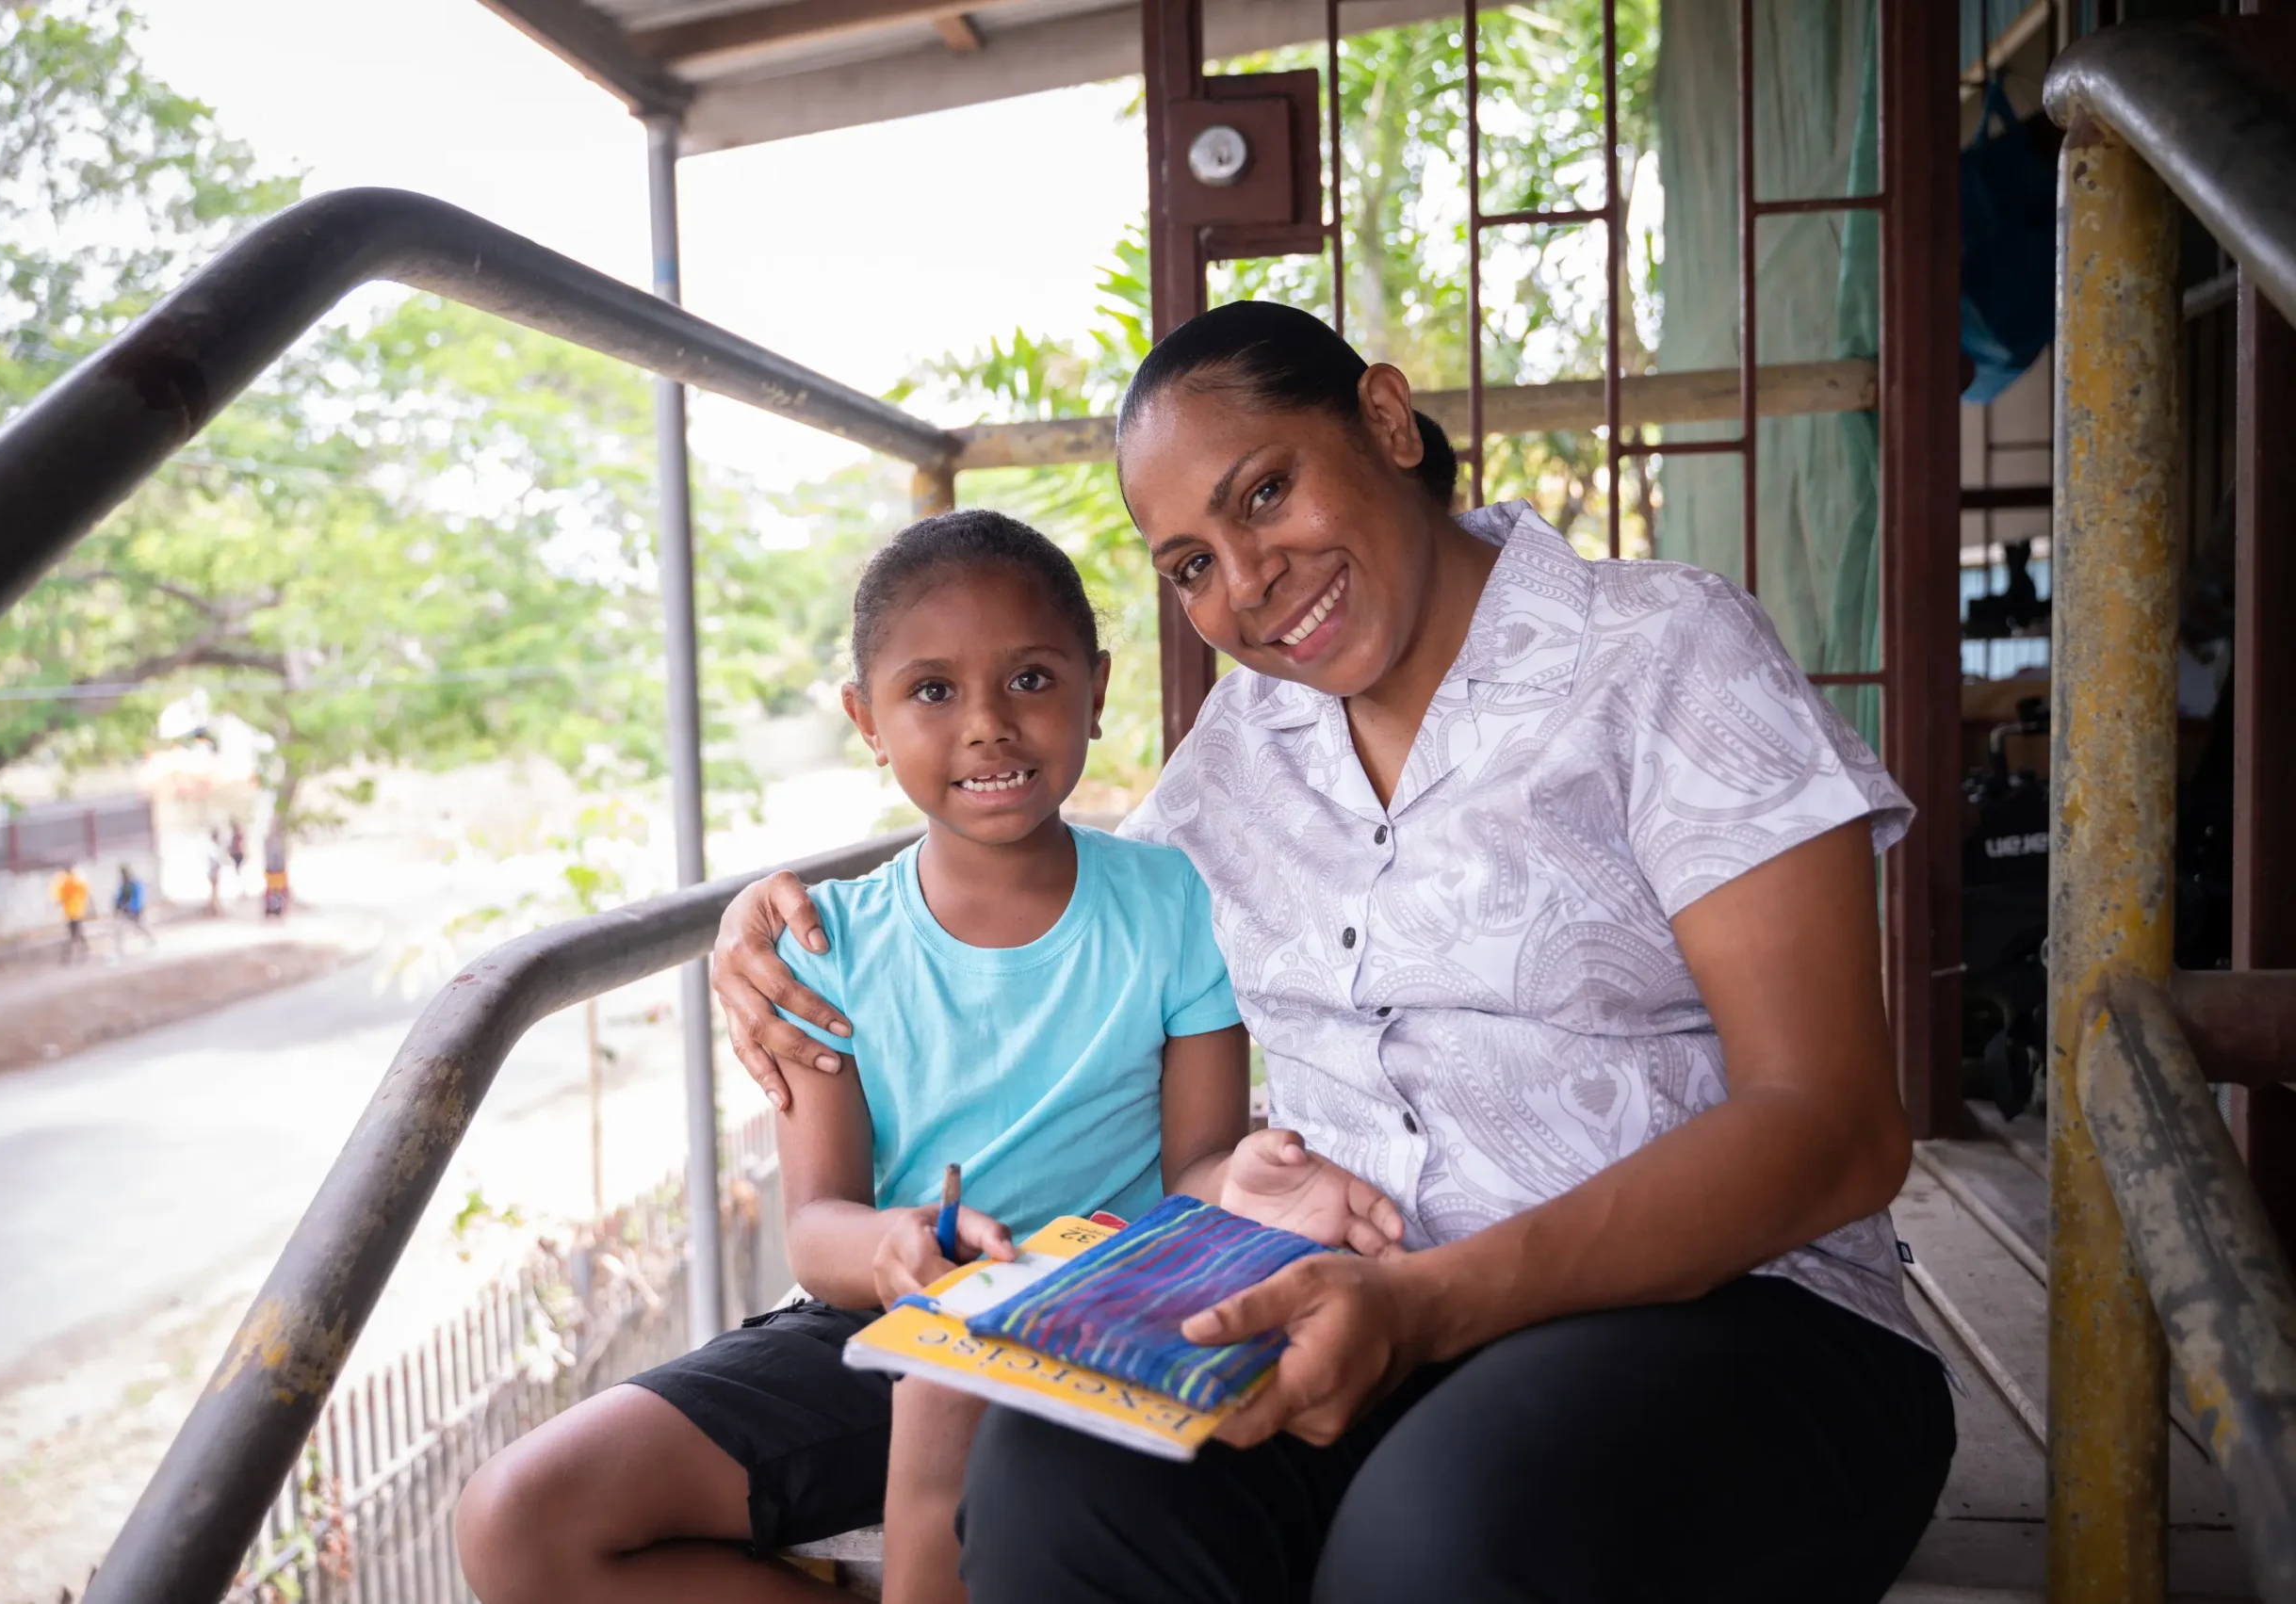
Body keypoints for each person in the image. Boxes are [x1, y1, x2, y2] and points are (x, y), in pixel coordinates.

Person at [714, 302, 1955, 1604]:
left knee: (1441, 1530)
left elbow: (1837, 1124)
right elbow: (1025, 867)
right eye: (1189, 562)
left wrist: (1429, 1304)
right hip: (1350, 1313)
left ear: (1380, 417)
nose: (1245, 582)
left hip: (1733, 1314)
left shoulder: (1661, 656)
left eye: (1265, 492)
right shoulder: (1242, 756)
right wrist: (780, 922)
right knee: (1053, 1474)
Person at [456, 510, 1380, 1604]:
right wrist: (896, 1250)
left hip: (1099, 1322)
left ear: (1096, 685)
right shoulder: (821, 943)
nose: (988, 724)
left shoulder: (1173, 904)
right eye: (932, 690)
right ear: (867, 717)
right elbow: (817, 1228)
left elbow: (1197, 1170)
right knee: (517, 1518)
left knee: (951, 1406)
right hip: (877, 1318)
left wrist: (1243, 1180)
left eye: (1031, 678)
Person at [52, 865, 91, 964]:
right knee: (76, 933)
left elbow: (58, 896)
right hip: (76, 911)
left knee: (73, 934)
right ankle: (83, 951)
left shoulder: (64, 881)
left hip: (71, 912)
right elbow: (85, 891)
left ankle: (68, 956)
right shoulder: (76, 880)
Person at [110, 864, 154, 953]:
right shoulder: (124, 885)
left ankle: (150, 938)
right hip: (126, 910)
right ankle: (118, 946)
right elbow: (120, 897)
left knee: (140, 926)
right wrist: (117, 906)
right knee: (119, 927)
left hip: (135, 910)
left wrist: (132, 907)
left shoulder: (135, 884)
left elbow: (138, 898)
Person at [203, 829, 225, 915]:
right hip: (213, 872)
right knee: (214, 892)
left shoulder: (213, 846)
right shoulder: (214, 847)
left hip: (213, 872)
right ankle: (213, 910)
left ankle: (212, 909)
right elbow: (216, 860)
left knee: (214, 892)